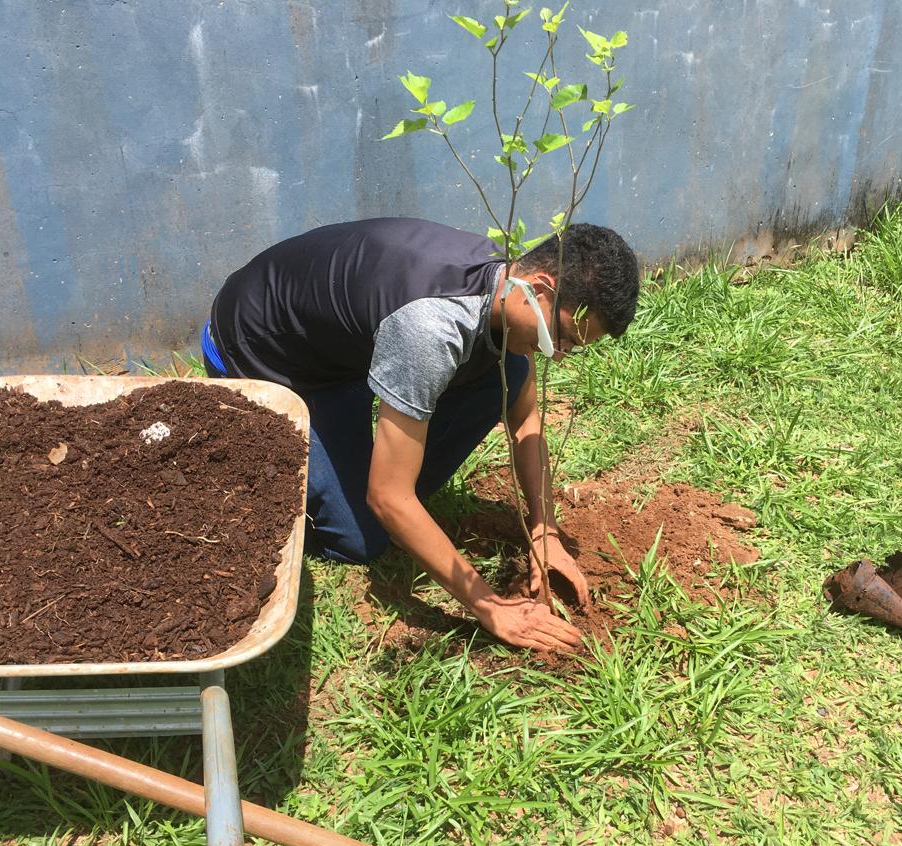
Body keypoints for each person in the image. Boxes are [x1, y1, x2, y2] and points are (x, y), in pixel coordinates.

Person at [202, 217, 639, 653]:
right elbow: (387, 498)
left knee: (508, 370)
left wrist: (545, 529)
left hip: (345, 349)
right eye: (561, 337)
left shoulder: (508, 282)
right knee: (362, 536)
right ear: (539, 287)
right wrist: (490, 607)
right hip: (267, 358)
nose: (557, 355)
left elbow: (526, 422)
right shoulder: (429, 328)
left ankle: (385, 478)